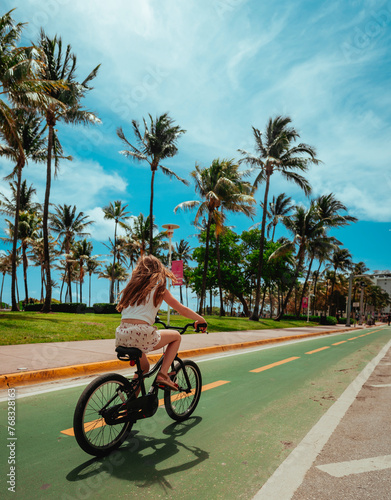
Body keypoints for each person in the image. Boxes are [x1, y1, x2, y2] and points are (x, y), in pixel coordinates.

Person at [115, 255, 207, 391]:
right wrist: (201, 320)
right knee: (176, 336)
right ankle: (163, 375)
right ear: (158, 270)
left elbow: (136, 311)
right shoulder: (159, 288)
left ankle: (130, 405)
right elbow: (182, 309)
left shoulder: (131, 288)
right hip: (140, 334)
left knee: (144, 368)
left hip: (121, 335)